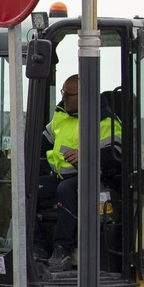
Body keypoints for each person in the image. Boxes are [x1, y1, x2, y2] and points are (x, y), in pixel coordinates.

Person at [42, 74, 120, 270]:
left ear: (85, 95)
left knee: (66, 189)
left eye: (69, 95)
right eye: (63, 93)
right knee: (26, 188)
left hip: (94, 178)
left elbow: (115, 153)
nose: (64, 98)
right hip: (60, 175)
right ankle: (36, 247)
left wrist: (86, 155)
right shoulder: (61, 115)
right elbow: (43, 142)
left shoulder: (105, 121)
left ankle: (63, 248)